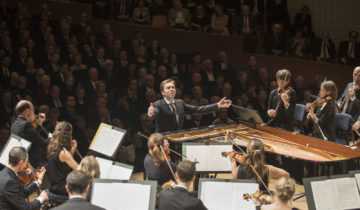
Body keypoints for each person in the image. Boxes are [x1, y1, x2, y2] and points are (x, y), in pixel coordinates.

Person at [147, 78, 231, 132]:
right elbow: (153, 113)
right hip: (163, 141)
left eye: (173, 87)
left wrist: (217, 105)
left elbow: (198, 109)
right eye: (168, 88)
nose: (171, 89)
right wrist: (151, 113)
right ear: (163, 93)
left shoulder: (180, 103)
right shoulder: (157, 104)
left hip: (177, 139)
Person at [11, 100, 48, 167]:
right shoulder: (26, 125)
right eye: (33, 110)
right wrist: (53, 137)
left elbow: (32, 136)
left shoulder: (14, 124)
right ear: (27, 111)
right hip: (32, 163)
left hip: (20, 160)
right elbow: (43, 142)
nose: (34, 114)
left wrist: (38, 123)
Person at [46, 121, 79, 197]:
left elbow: (62, 164)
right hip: (62, 190)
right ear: (68, 135)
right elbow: (78, 169)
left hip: (53, 186)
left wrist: (72, 151)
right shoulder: (64, 153)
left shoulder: (51, 146)